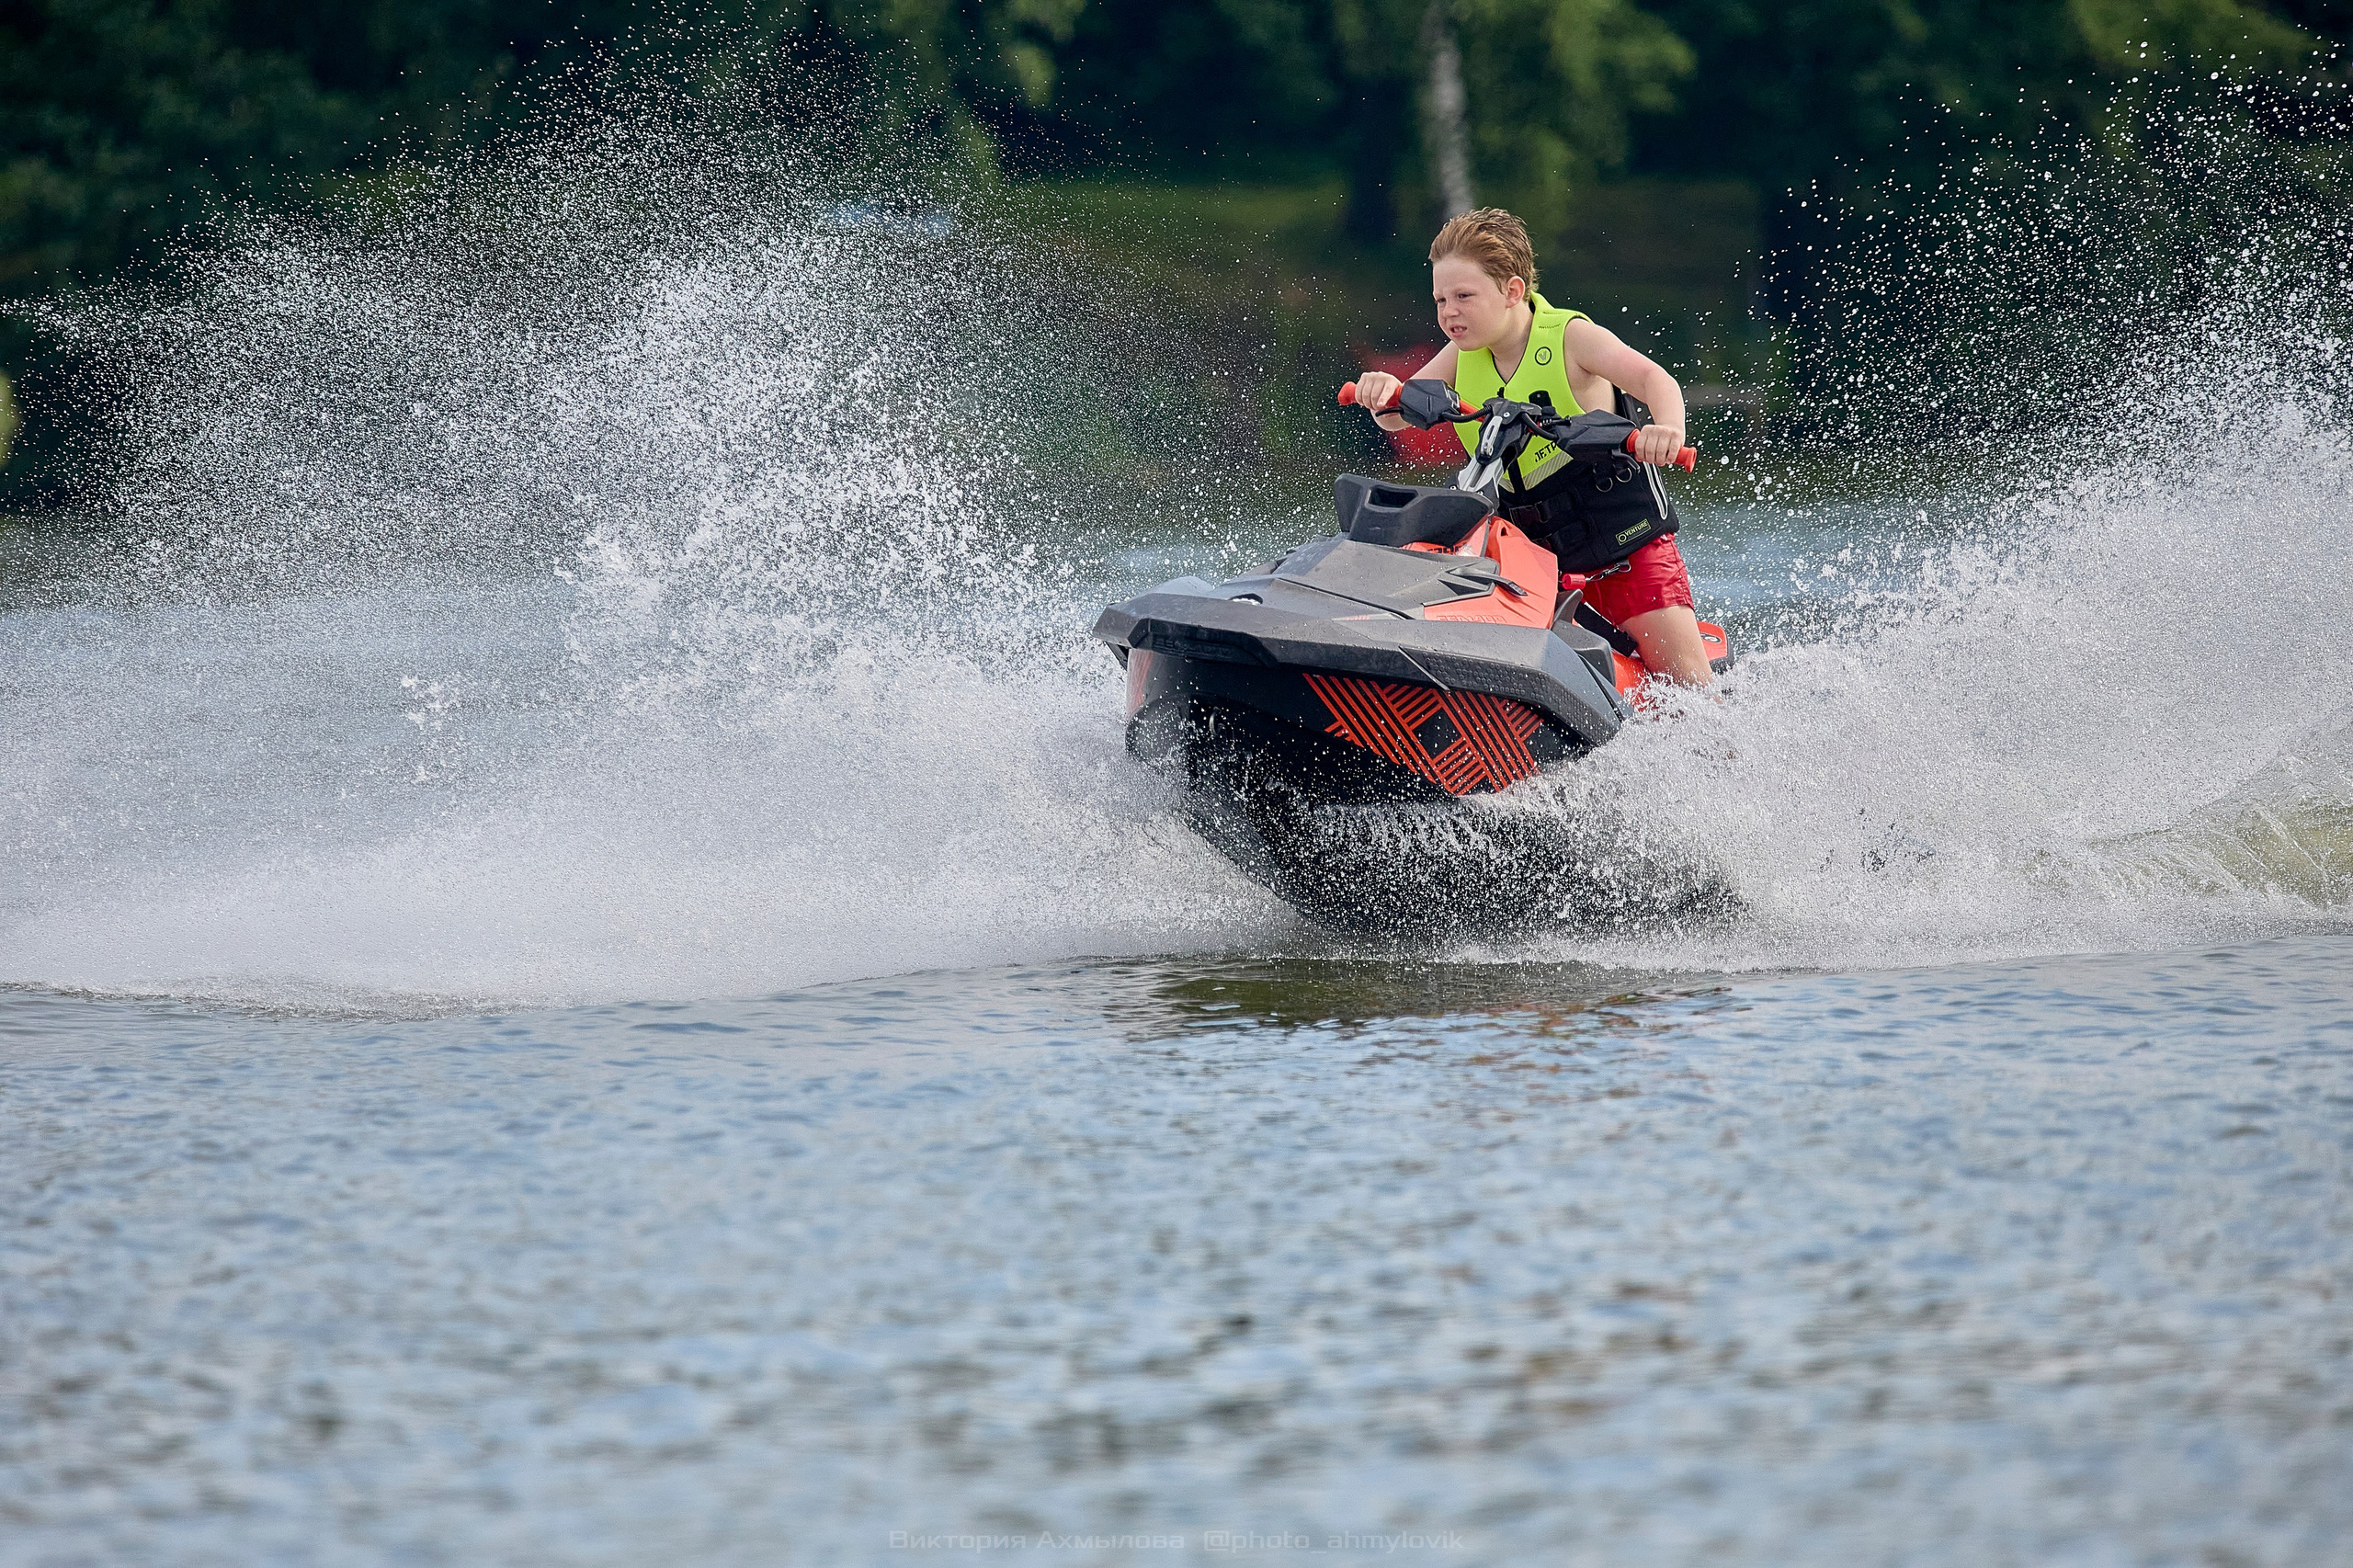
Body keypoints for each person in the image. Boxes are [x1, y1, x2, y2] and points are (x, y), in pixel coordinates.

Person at [1347, 208, 1713, 687]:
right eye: (1440, 300)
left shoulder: (1571, 338)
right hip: (1535, 564)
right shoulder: (1461, 356)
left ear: (1513, 291)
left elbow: (1653, 378)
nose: (1448, 312)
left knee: (1690, 693)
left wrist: (1669, 430)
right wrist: (1380, 391)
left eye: (1463, 296)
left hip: (1624, 547)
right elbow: (1396, 414)